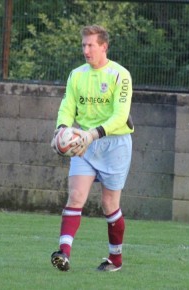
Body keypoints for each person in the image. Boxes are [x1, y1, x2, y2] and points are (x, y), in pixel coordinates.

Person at [50, 25, 134, 272]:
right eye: (83, 45)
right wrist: (61, 129)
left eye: (91, 45)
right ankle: (63, 253)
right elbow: (68, 106)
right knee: (76, 196)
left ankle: (115, 259)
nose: (86, 50)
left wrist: (93, 133)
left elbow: (121, 116)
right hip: (84, 145)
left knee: (109, 205)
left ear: (104, 47)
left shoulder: (120, 75)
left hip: (114, 145)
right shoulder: (76, 75)